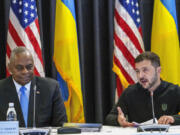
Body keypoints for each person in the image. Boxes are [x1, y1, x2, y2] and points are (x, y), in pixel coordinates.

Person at [105, 52, 180, 127]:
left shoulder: (174, 91)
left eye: (145, 70)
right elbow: (109, 118)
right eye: (137, 71)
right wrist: (117, 120)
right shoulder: (130, 92)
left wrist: (173, 119)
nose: (140, 76)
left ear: (158, 70)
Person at [0, 47, 67, 127]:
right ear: (9, 68)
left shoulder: (51, 88)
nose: (25, 71)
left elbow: (60, 124)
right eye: (19, 68)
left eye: (29, 67)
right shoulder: (1, 88)